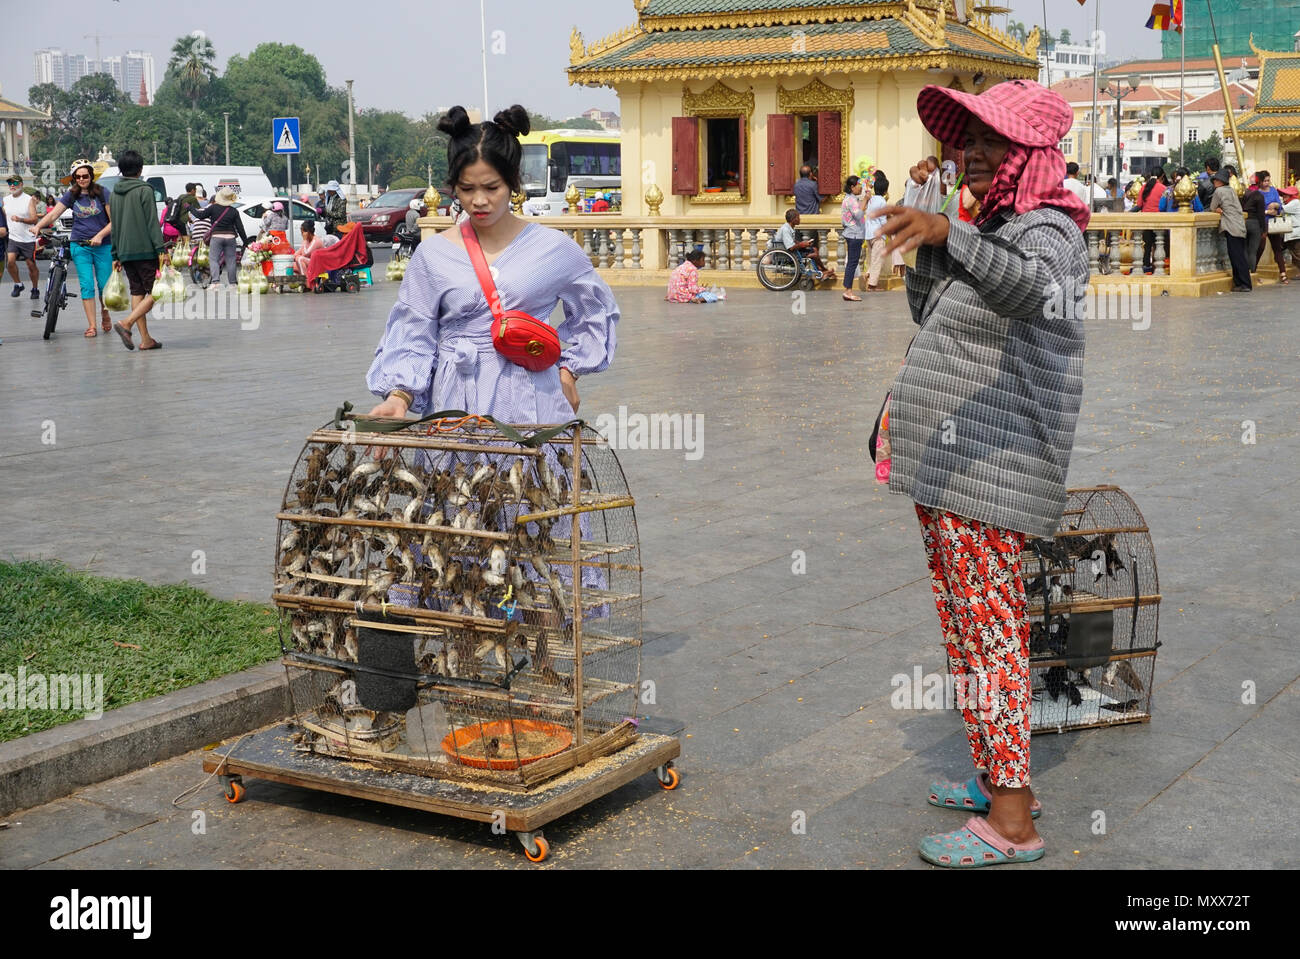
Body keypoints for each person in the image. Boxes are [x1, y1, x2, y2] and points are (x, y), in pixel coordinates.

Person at [873, 78, 1091, 868]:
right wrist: (934, 242)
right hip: (953, 464)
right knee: (968, 631)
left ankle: (1012, 822)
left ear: (1030, 155)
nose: (972, 153)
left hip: (995, 470)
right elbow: (932, 314)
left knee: (991, 634)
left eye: (992, 141)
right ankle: (1000, 778)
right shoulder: (991, 226)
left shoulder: (1050, 232)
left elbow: (1033, 289)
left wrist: (950, 234)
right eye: (967, 139)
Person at [365, 103, 618, 426]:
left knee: (524, 477)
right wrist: (398, 397)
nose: (479, 200)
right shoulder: (433, 255)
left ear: (513, 182)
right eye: (467, 189)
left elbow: (596, 312)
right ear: (454, 185)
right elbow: (413, 331)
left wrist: (568, 372)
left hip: (532, 405)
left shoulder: (554, 249)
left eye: (492, 188)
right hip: (453, 406)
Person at [34, 160, 114, 336]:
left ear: (91, 176)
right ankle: (92, 325)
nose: (82, 179)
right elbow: (54, 214)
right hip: (80, 245)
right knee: (86, 285)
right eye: (78, 177)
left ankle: (105, 313)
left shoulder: (103, 193)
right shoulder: (71, 195)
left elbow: (114, 221)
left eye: (85, 176)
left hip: (103, 246)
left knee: (104, 286)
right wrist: (38, 226)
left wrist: (100, 236)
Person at [108, 149, 166, 351]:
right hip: (144, 249)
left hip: (124, 251)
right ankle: (127, 323)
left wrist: (115, 253)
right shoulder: (145, 190)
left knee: (138, 291)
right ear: (140, 169)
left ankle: (146, 339)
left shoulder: (114, 193)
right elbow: (152, 222)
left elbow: (114, 224)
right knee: (159, 291)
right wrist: (161, 249)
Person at [192, 187, 249, 286]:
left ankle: (215, 282)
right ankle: (232, 283)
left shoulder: (213, 208)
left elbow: (200, 215)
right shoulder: (234, 211)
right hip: (230, 238)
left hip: (217, 237)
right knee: (231, 260)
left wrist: (189, 207)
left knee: (214, 259)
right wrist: (245, 242)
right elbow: (240, 228)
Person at [1209, 168, 1250, 292]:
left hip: (1231, 227)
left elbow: (1212, 207)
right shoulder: (1231, 190)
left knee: (1236, 257)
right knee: (1239, 256)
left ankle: (1244, 284)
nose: (1214, 182)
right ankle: (1240, 283)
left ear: (1219, 181)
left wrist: (1217, 209)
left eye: (1215, 180)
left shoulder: (1219, 191)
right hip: (1240, 226)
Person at [4, 175, 42, 299]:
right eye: (10, 183)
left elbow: (34, 219)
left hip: (28, 239)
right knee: (10, 262)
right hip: (13, 238)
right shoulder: (6, 200)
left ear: (21, 184)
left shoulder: (28, 200)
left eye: (15, 183)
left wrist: (20, 219)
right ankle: (18, 284)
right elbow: (4, 214)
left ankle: (35, 288)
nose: (12, 185)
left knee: (31, 266)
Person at [773, 208, 835, 281]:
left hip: (792, 251)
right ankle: (822, 271)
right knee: (814, 255)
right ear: (793, 219)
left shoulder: (790, 228)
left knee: (814, 249)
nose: (800, 219)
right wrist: (802, 244)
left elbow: (792, 242)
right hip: (788, 254)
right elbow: (791, 247)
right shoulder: (786, 229)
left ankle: (823, 270)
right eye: (798, 218)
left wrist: (805, 244)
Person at [1253, 170, 1288, 283]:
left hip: (1273, 223)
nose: (1267, 183)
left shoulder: (1273, 190)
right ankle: (1253, 271)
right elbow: (1255, 210)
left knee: (1277, 248)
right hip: (1263, 223)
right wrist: (1268, 211)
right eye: (1265, 181)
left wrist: (1276, 205)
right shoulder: (1257, 193)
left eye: (1268, 180)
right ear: (1260, 182)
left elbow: (1280, 205)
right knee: (1260, 248)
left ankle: (1283, 273)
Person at [840, 174, 866, 300]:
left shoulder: (851, 199)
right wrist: (865, 199)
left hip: (854, 233)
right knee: (852, 262)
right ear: (852, 187)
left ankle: (848, 289)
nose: (860, 188)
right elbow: (859, 214)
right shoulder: (850, 200)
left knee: (852, 262)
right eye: (858, 186)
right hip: (854, 234)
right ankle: (848, 290)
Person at [863, 173, 890, 292]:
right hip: (878, 234)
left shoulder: (871, 199)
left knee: (872, 258)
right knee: (878, 259)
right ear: (885, 190)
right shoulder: (882, 202)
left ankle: (868, 273)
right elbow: (883, 220)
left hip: (868, 233)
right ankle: (872, 285)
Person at [1136, 171, 1167, 273]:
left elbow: (1139, 204)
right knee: (1159, 244)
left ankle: (1146, 266)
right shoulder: (1163, 188)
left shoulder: (1144, 187)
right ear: (1162, 176)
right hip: (1159, 221)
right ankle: (1157, 268)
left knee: (1147, 245)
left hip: (1146, 220)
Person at [1240, 175, 1266, 279]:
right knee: (1253, 251)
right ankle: (1252, 273)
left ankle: (1245, 271)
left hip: (1244, 221)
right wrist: (1263, 229)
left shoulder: (1243, 193)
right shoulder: (1259, 195)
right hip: (1255, 223)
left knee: (1245, 249)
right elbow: (1261, 214)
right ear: (1259, 183)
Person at [1279, 184, 1300, 269]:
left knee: (1297, 253)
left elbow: (1281, 209)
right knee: (1294, 254)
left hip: (1296, 233)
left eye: (1285, 195)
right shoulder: (1291, 203)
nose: (1283, 197)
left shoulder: (1295, 202)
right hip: (1292, 233)